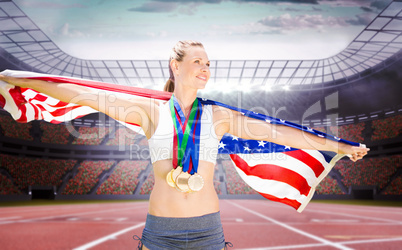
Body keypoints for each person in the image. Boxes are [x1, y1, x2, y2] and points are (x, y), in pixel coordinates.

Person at [0, 40, 369, 249]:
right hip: (161, 234)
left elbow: (277, 132)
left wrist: (335, 146)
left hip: (209, 231)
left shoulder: (219, 116)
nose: (206, 68)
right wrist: (18, 79)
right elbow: (80, 92)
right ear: (174, 67)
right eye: (197, 61)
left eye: (208, 63)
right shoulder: (146, 109)